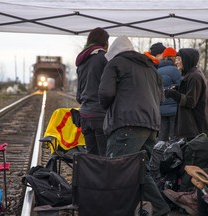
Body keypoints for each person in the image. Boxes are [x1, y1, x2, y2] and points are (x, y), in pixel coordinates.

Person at [98, 35, 170, 216]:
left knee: (116, 168)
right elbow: (161, 98)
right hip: (152, 126)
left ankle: (115, 211)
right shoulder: (151, 68)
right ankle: (161, 209)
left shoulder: (115, 64)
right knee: (141, 171)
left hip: (127, 124)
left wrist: (108, 108)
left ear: (113, 52)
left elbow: (105, 93)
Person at [164, 48, 208, 141]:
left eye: (179, 59)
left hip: (199, 127)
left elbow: (190, 102)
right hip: (196, 126)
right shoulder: (191, 75)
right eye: (176, 59)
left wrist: (174, 94)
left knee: (197, 155)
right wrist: (178, 88)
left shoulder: (195, 76)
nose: (176, 62)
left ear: (187, 59)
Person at [75, 27, 109, 156]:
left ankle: (89, 177)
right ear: (104, 42)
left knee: (91, 156)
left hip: (84, 115)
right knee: (103, 156)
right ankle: (103, 177)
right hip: (100, 114)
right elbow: (108, 88)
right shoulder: (103, 58)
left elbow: (79, 95)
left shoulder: (82, 60)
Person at [157, 47, 182, 142]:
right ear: (171, 57)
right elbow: (181, 86)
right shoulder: (175, 71)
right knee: (174, 137)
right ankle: (171, 155)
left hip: (161, 109)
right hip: (173, 110)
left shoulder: (157, 71)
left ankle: (159, 154)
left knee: (162, 137)